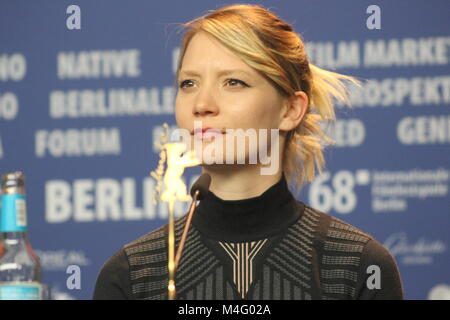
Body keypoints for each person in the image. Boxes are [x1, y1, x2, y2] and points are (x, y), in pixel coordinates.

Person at [93, 3, 403, 300]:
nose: (202, 105)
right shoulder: (132, 275)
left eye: (234, 82)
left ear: (291, 109)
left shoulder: (357, 265)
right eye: (188, 83)